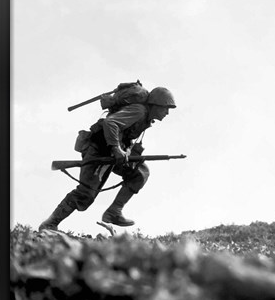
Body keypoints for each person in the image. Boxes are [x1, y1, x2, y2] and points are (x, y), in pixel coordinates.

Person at [38, 86, 176, 231]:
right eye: (165, 108)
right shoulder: (139, 111)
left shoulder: (145, 118)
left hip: (112, 153)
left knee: (140, 173)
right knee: (86, 194)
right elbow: (110, 123)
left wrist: (126, 151)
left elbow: (124, 133)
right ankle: (50, 224)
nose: (167, 113)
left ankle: (114, 212)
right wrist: (116, 149)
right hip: (99, 150)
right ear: (156, 104)